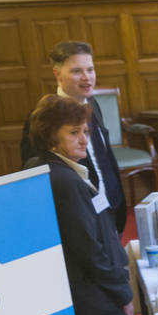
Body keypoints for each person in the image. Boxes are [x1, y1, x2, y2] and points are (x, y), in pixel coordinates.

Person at [26, 94, 151, 315]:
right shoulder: (65, 181)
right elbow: (89, 250)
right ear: (50, 136)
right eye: (74, 132)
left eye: (85, 131)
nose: (84, 140)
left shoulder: (61, 169)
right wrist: (123, 294)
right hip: (96, 303)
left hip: (91, 300)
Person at [19, 40, 125, 232]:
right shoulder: (45, 117)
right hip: (80, 219)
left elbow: (104, 158)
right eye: (77, 71)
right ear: (57, 74)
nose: (87, 78)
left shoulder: (92, 104)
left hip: (109, 209)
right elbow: (37, 176)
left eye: (90, 70)